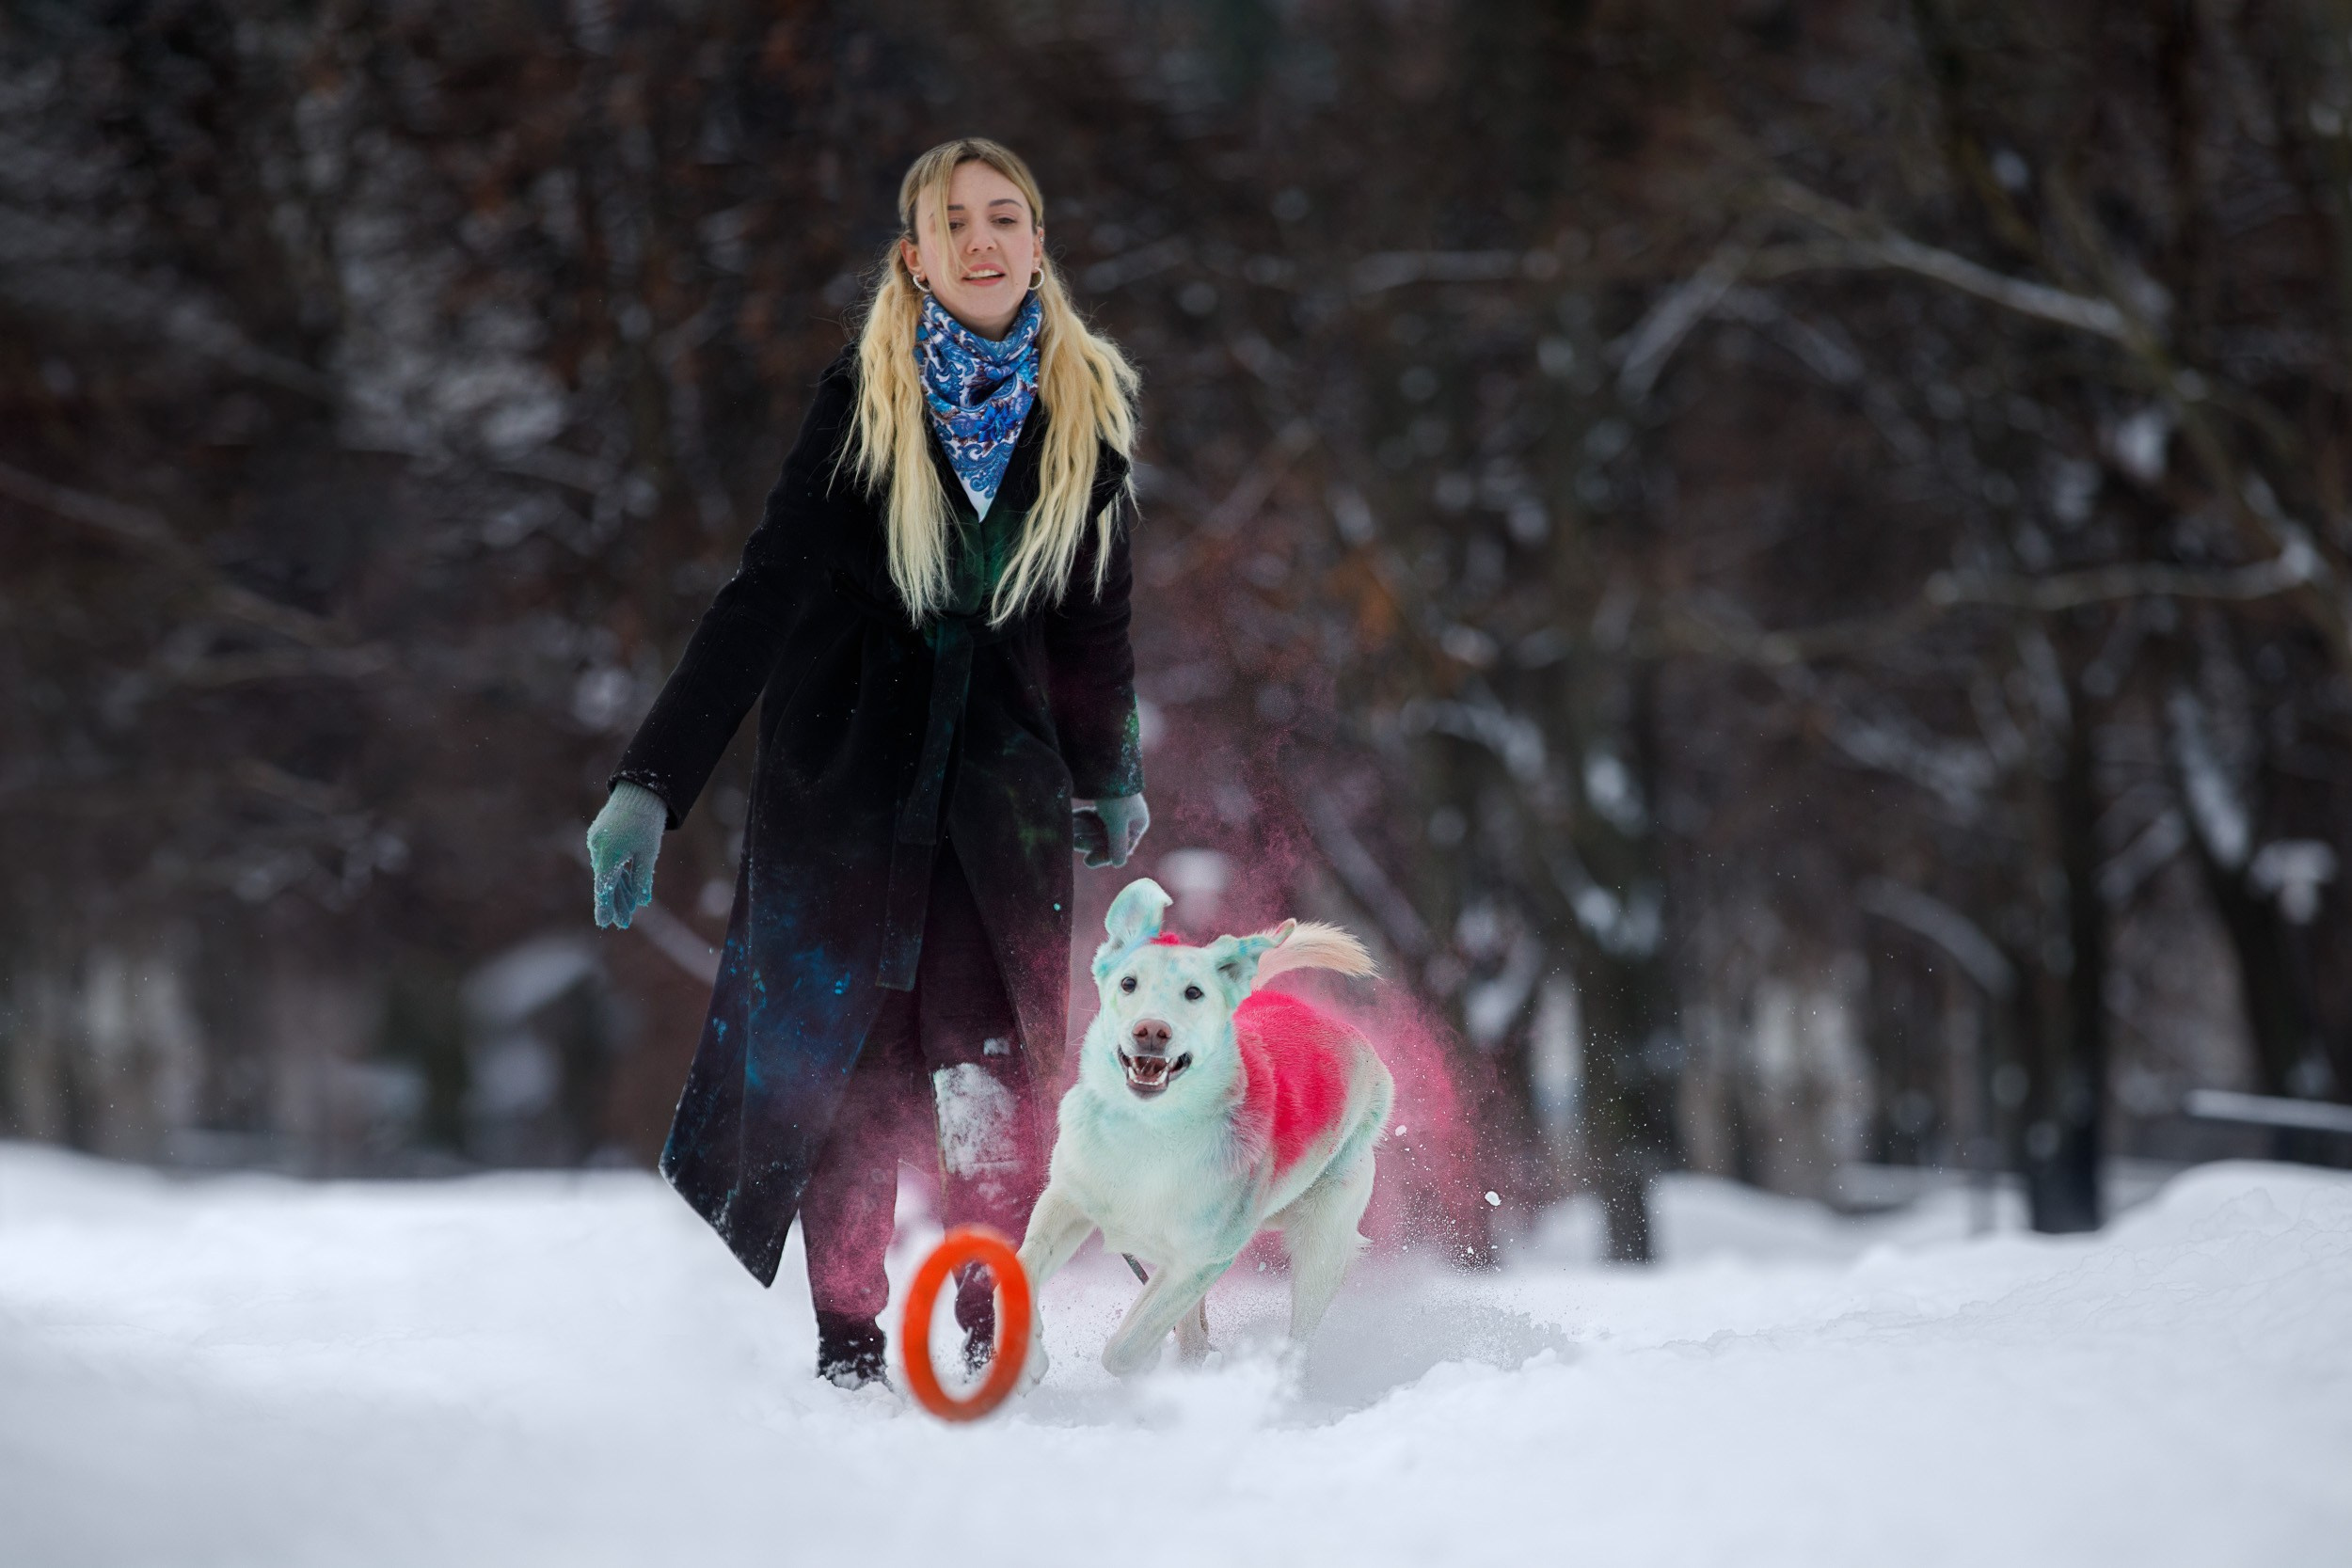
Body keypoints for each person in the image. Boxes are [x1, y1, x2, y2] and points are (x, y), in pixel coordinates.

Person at [583, 138, 1151, 1387]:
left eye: (1005, 216)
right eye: (955, 222)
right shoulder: (862, 406)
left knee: (993, 1080)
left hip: (997, 813)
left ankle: (992, 1340)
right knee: (849, 1085)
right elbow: (761, 597)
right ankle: (848, 1351)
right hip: (844, 797)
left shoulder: (1085, 416)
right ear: (916, 257)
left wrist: (1107, 769)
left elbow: (1091, 627)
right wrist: (651, 782)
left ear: (1038, 243)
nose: (982, 238)